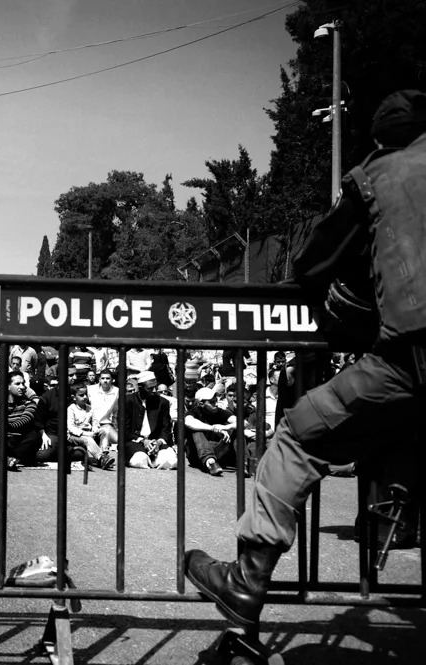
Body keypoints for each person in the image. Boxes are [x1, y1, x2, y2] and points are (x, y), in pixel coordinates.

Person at [185, 89, 426, 633]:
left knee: (297, 434)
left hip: (410, 355)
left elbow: (314, 258)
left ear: (381, 139)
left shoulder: (379, 175)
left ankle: (245, 581)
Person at [122, 371, 175, 469]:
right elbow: (125, 431)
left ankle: (153, 459)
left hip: (156, 443)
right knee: (139, 460)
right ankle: (150, 459)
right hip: (135, 441)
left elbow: (166, 430)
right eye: (150, 388)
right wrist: (143, 441)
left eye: (156, 387)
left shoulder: (163, 403)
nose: (155, 390)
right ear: (140, 388)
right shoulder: (127, 401)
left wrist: (158, 442)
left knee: (172, 461)